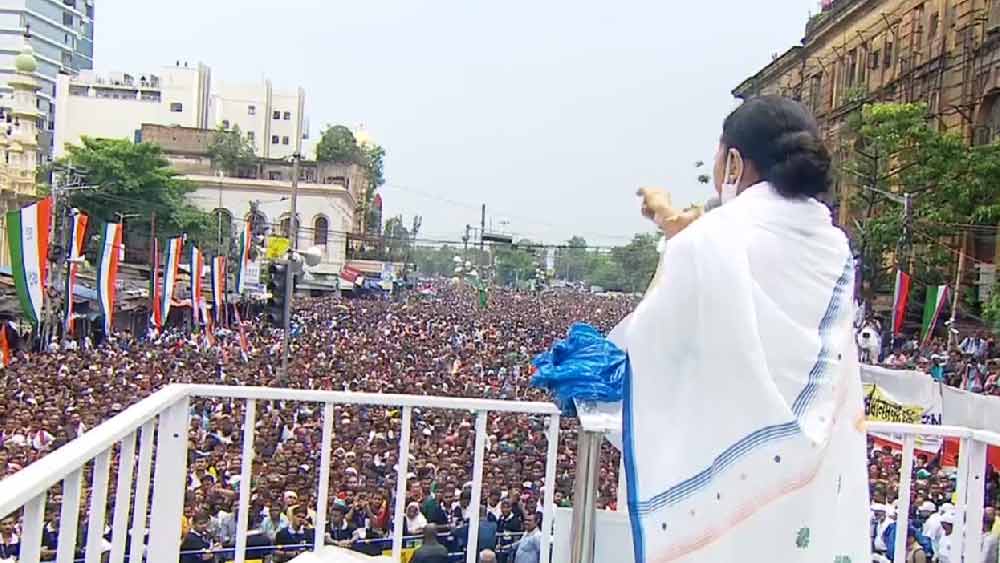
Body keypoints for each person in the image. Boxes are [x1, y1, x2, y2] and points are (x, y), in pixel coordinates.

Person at [623, 96, 871, 562]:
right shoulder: (834, 247)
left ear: (734, 161)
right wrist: (674, 223)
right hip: (807, 485)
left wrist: (678, 231)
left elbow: (651, 340)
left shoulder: (710, 240)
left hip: (726, 472)